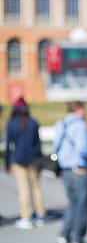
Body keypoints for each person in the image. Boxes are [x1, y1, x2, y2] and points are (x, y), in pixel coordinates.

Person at [54, 101, 87, 243]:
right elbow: (83, 149)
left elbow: (56, 146)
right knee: (82, 204)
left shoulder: (61, 124)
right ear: (79, 109)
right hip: (79, 169)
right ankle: (77, 239)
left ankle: (64, 234)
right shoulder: (80, 125)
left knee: (72, 203)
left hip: (65, 169)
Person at [5, 97, 46, 229]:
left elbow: (8, 146)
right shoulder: (33, 123)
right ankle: (40, 215)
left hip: (19, 159)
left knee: (24, 189)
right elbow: (38, 144)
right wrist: (41, 160)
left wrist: (7, 163)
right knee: (36, 187)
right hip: (33, 159)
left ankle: (26, 216)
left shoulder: (11, 124)